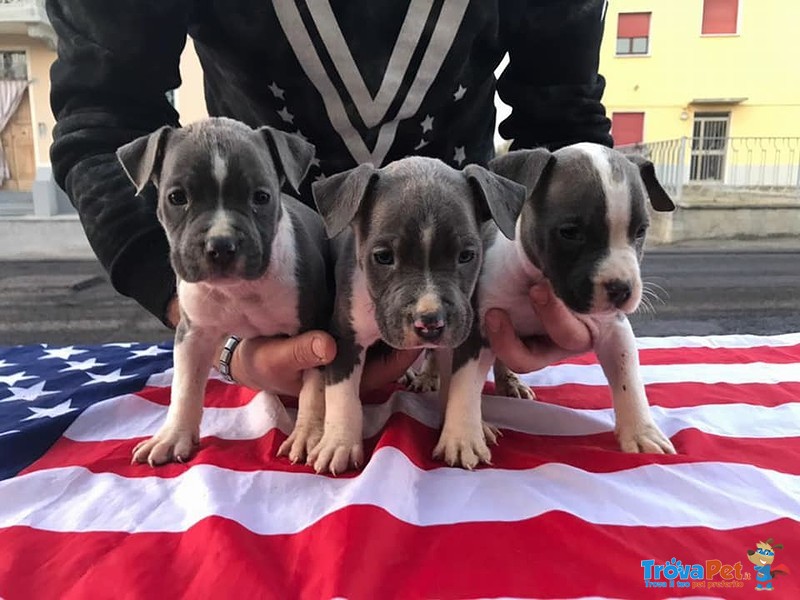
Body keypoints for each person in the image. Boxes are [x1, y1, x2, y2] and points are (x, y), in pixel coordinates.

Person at [46, 0, 612, 395]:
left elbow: (563, 120)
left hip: (462, 298)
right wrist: (206, 323)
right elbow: (101, 117)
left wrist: (566, 273)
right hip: (266, 306)